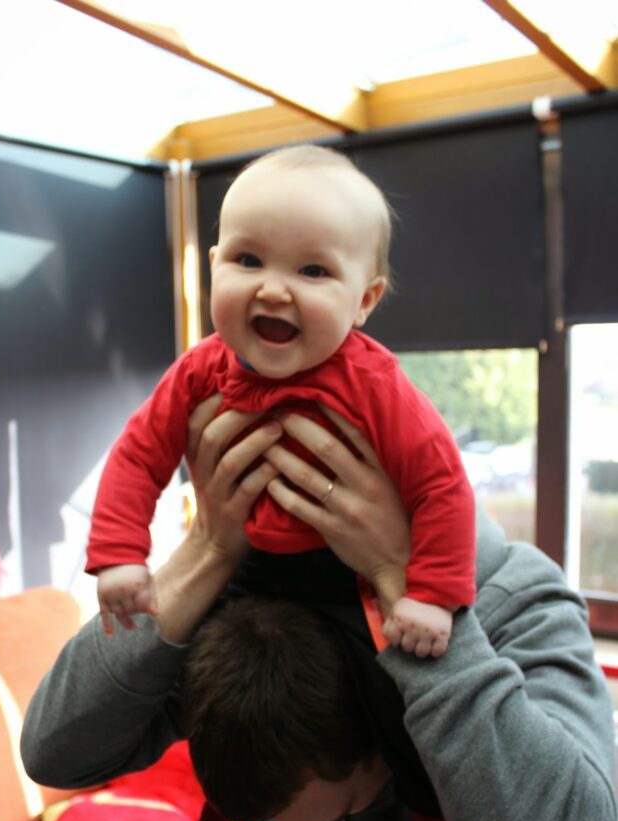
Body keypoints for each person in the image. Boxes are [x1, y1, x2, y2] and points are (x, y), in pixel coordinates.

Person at [22, 398, 616, 821]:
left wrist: (411, 595)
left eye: (340, 816)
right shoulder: (257, 602)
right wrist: (205, 552)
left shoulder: (519, 600)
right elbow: (52, 754)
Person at [86, 143, 476, 658]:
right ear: (214, 265)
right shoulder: (199, 372)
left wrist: (430, 595)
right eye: (248, 260)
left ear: (364, 299)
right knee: (200, 670)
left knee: (377, 673)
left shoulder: (374, 384)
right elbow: (138, 456)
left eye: (312, 271)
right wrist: (119, 553)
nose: (273, 290)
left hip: (346, 573)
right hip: (240, 564)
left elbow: (441, 484)